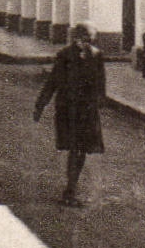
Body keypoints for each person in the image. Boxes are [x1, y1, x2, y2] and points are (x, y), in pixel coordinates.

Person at [33, 21, 107, 206]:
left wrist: (100, 100)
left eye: (90, 40)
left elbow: (100, 82)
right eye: (84, 39)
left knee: (81, 150)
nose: (87, 43)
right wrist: (40, 105)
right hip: (69, 109)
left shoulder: (96, 56)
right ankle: (70, 191)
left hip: (87, 111)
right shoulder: (65, 55)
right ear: (76, 38)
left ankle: (70, 189)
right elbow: (52, 81)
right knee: (75, 148)